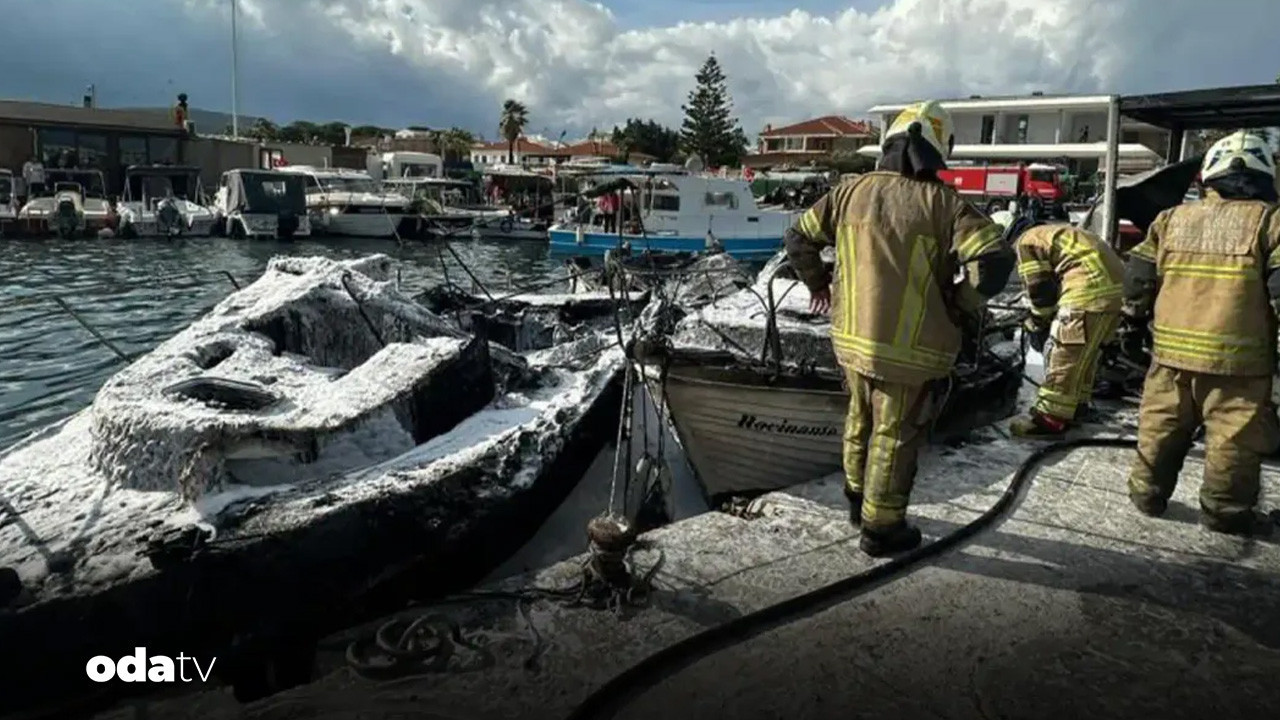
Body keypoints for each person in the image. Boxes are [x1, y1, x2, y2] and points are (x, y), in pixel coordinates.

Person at [783, 100, 1014, 556]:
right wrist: (960, 304)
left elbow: (798, 237)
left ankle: (856, 500)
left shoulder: (848, 192)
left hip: (850, 337)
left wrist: (820, 284)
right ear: (937, 148)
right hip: (911, 347)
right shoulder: (945, 204)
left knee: (859, 418)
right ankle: (881, 528)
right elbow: (994, 261)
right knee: (894, 432)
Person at [1124, 130, 1280, 536]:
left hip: (1170, 358)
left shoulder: (1171, 219)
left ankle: (1146, 494)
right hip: (1240, 366)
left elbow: (1138, 277)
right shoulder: (1272, 222)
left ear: (1209, 174)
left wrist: (1133, 322)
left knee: (1159, 425)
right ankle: (1224, 513)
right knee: (1234, 440)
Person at [1002, 214, 1125, 437]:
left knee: (1065, 354)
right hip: (1113, 294)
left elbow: (1039, 289)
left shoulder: (1025, 242)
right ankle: (1077, 407)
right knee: (1085, 357)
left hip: (1087, 292)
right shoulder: (1052, 232)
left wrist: (1038, 320)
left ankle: (1049, 420)